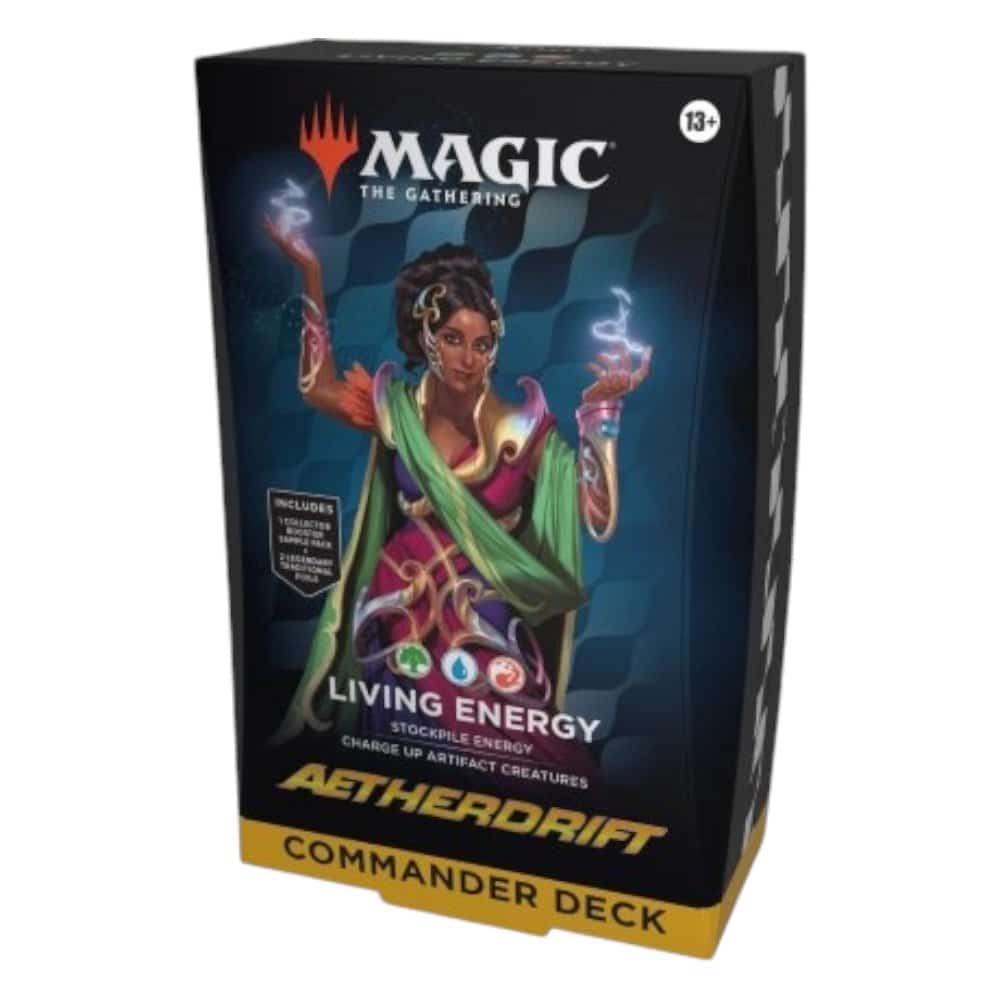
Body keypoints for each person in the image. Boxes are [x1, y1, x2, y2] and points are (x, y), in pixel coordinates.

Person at [264, 217, 651, 774]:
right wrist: (311, 273)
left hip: (481, 620)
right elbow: (317, 387)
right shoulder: (399, 410)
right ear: (427, 338)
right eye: (452, 339)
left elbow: (598, 514)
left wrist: (600, 415)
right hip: (395, 610)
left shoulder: (521, 430)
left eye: (481, 344)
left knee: (537, 761)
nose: (468, 359)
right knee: (402, 754)